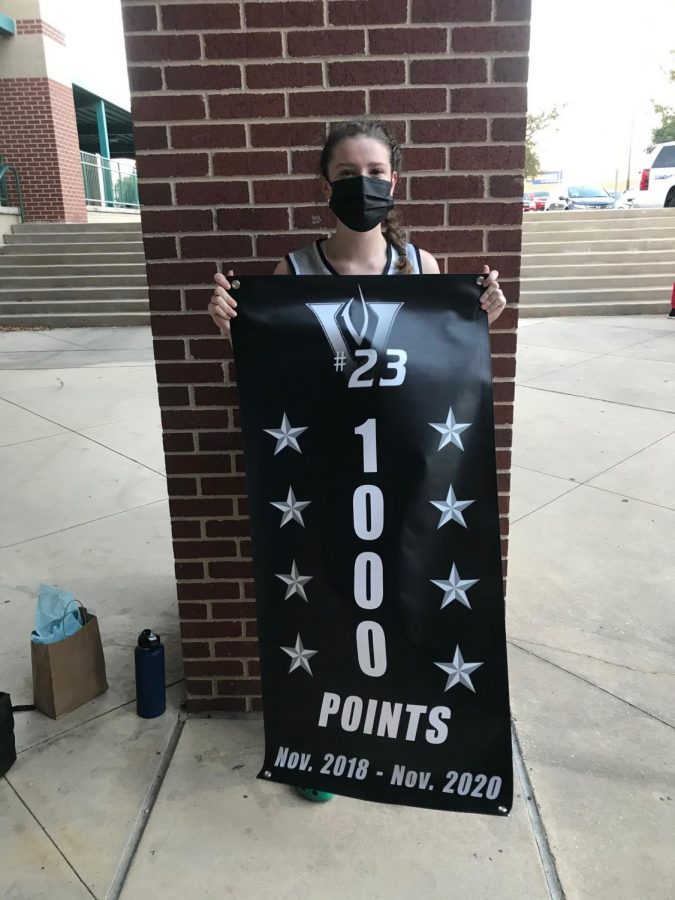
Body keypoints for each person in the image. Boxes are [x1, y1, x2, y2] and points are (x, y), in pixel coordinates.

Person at [207, 119, 508, 803]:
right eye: (347, 175)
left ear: (393, 181)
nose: (362, 185)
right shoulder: (294, 270)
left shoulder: (423, 268)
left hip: (406, 468)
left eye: (374, 172)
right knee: (332, 603)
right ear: (325, 186)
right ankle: (326, 752)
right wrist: (236, 326)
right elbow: (279, 371)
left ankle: (408, 738)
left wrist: (477, 317)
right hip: (327, 475)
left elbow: (443, 367)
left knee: (405, 592)